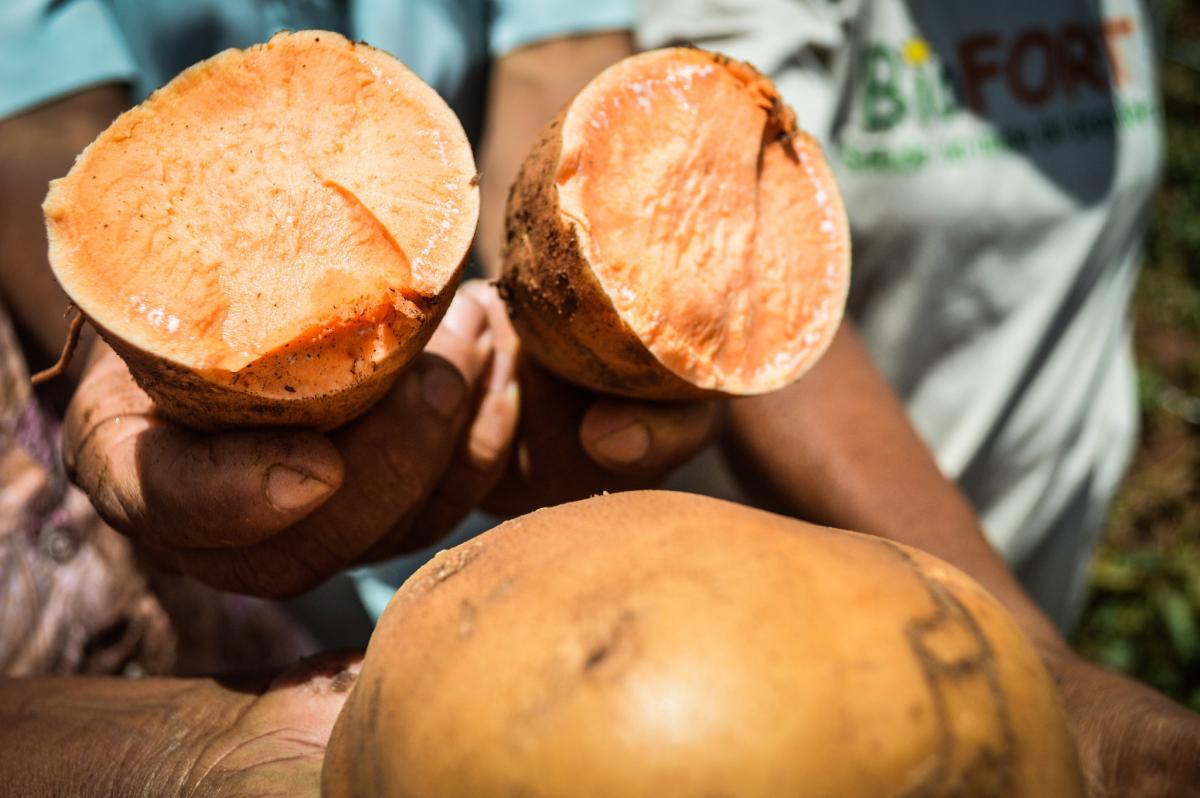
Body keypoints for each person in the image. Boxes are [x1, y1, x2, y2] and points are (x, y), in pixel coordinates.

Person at [2, 2, 1197, 796]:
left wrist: (582, 299)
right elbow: (36, 133)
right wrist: (126, 336)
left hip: (504, 518)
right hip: (135, 598)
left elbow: (560, 67)